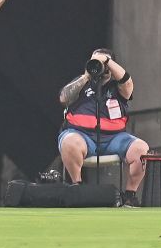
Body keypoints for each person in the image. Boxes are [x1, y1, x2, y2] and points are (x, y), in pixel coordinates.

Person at [57, 49, 149, 207]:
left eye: (103, 62)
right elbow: (63, 97)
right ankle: (77, 188)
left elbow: (127, 83)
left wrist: (107, 61)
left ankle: (129, 195)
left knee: (141, 148)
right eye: (94, 60)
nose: (99, 64)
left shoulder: (118, 88)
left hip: (115, 138)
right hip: (82, 136)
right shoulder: (81, 83)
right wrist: (87, 75)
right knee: (69, 142)